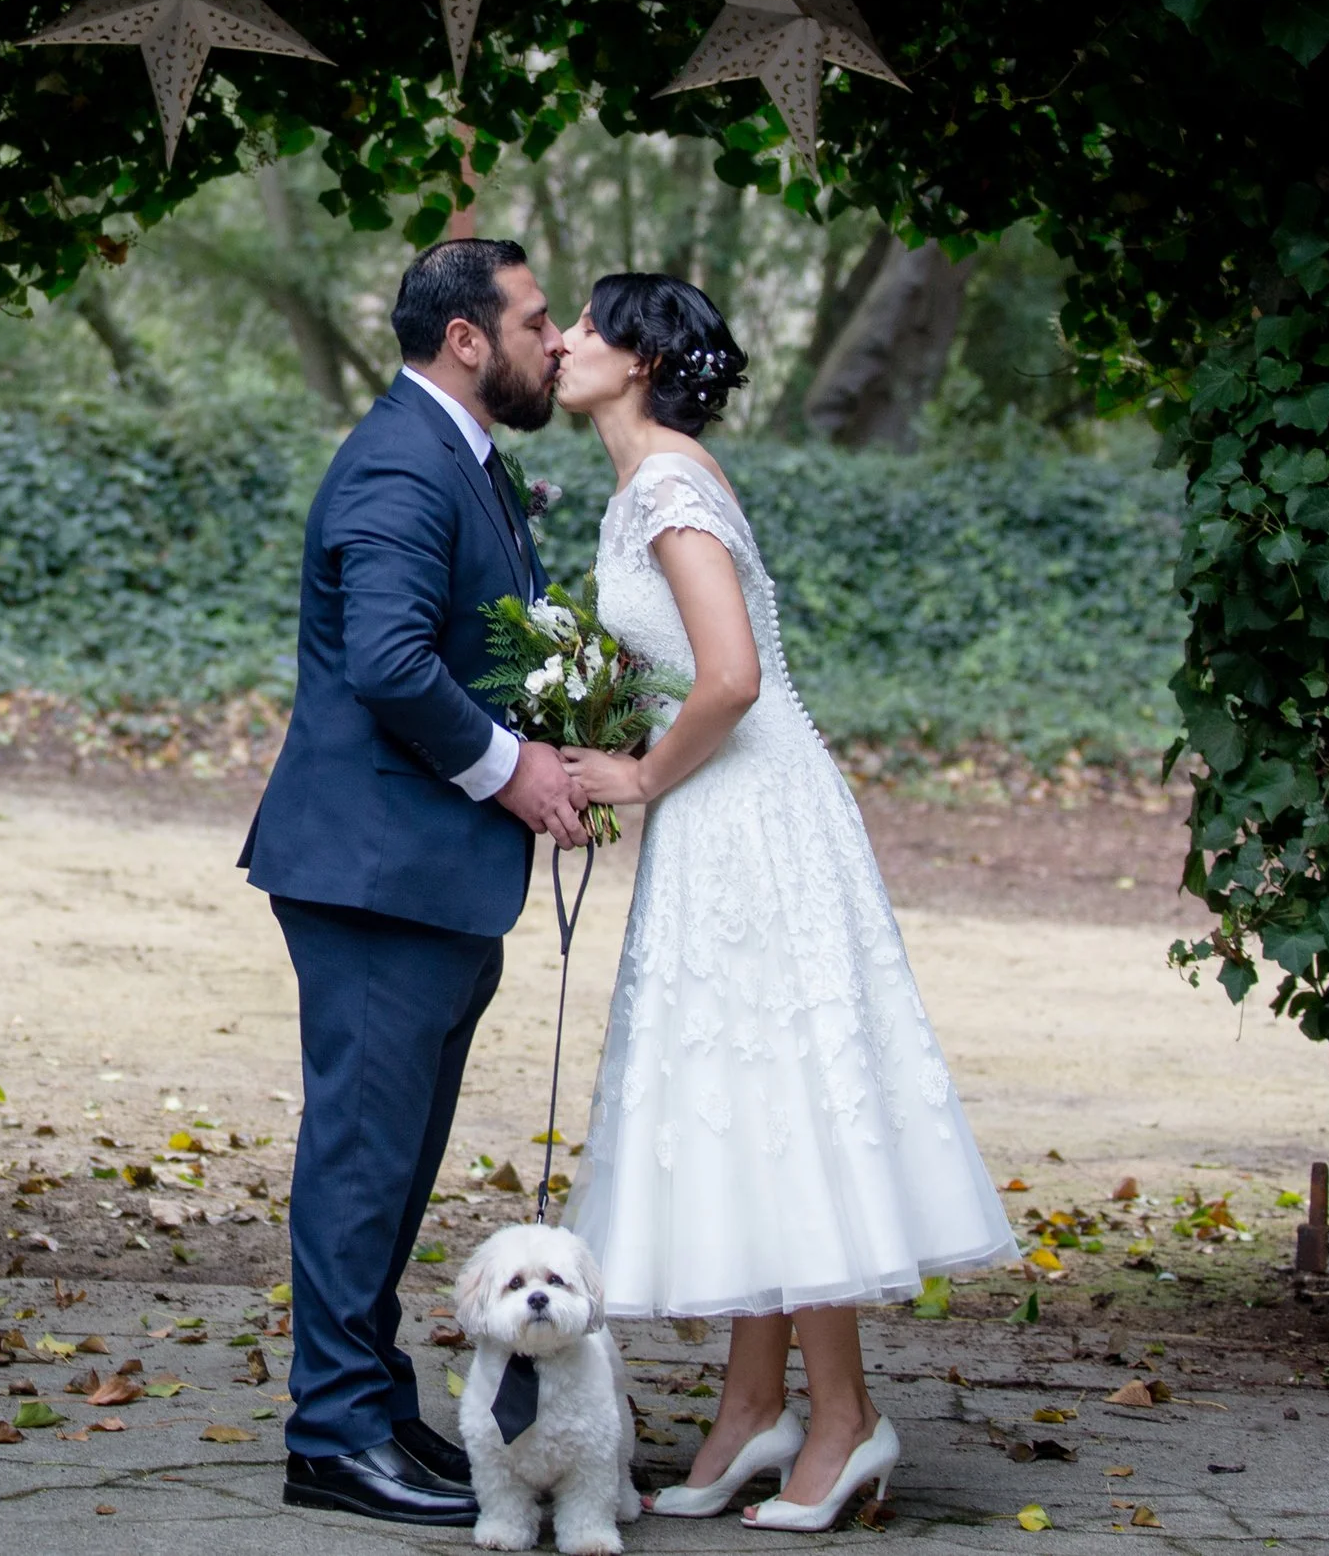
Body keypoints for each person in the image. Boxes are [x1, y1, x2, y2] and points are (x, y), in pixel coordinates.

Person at [552, 273, 1017, 1532]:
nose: (567, 341)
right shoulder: (644, 478)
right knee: (747, 1101)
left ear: (640, 359)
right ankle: (752, 1407)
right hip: (721, 820)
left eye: (590, 327)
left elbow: (734, 676)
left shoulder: (667, 485)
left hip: (751, 816)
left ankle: (847, 1415)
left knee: (790, 1100)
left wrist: (639, 773)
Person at [239, 238, 591, 1527]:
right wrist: (515, 773)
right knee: (359, 1162)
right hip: (375, 873)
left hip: (427, 875)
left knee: (390, 1165)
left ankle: (375, 1400)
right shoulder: (400, 458)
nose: (556, 341)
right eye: (537, 320)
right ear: (465, 338)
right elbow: (388, 662)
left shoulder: (462, 455)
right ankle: (330, 1434)